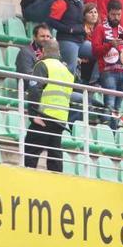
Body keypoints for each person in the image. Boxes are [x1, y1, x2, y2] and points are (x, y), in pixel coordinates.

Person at [23, 39, 73, 173]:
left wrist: (33, 115)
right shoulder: (67, 70)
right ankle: (57, 185)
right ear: (59, 52)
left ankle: (26, 182)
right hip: (60, 118)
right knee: (54, 154)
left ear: (43, 51)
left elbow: (34, 89)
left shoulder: (43, 65)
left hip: (44, 116)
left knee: (30, 151)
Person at [91, 0, 123, 128]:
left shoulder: (122, 29)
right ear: (108, 13)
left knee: (117, 107)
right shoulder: (100, 28)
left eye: (119, 14)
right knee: (109, 104)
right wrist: (109, 45)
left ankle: (113, 133)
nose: (116, 17)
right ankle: (108, 133)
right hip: (108, 71)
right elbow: (95, 51)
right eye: (113, 14)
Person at [47, 0, 85, 74]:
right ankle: (68, 89)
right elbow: (51, 21)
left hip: (80, 39)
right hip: (68, 40)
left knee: (100, 54)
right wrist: (69, 29)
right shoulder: (62, 2)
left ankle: (93, 82)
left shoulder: (80, 2)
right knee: (70, 69)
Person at [77, 3, 99, 84]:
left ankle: (94, 81)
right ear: (84, 15)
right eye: (90, 12)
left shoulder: (99, 30)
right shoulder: (80, 28)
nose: (94, 15)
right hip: (82, 61)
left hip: (93, 62)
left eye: (95, 12)